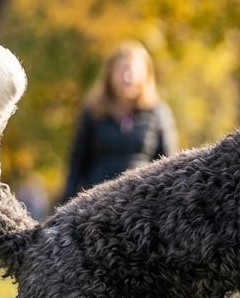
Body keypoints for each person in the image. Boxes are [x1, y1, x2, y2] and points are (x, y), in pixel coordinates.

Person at [62, 41, 179, 202]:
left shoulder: (158, 114)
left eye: (133, 71)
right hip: (97, 203)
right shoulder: (93, 112)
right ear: (110, 74)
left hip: (143, 203)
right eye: (122, 70)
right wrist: (65, 204)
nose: (127, 77)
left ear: (145, 74)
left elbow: (170, 165)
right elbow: (77, 164)